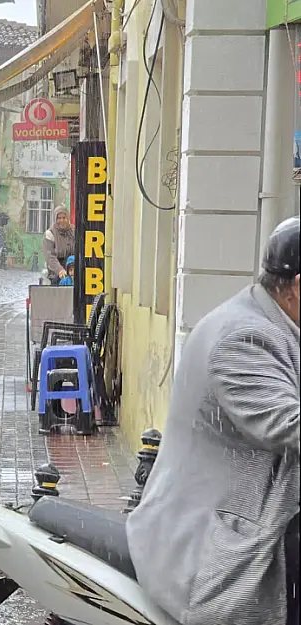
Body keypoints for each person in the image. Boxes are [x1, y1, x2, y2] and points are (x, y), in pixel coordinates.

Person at [126, 216, 300, 625]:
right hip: (213, 547)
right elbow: (287, 423)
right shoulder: (244, 338)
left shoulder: (275, 323)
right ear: (297, 286)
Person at [42, 206, 74, 283]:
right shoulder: (50, 234)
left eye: (64, 217)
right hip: (55, 271)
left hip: (72, 268)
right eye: (59, 218)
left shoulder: (74, 231)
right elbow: (50, 256)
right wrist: (60, 270)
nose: (62, 220)